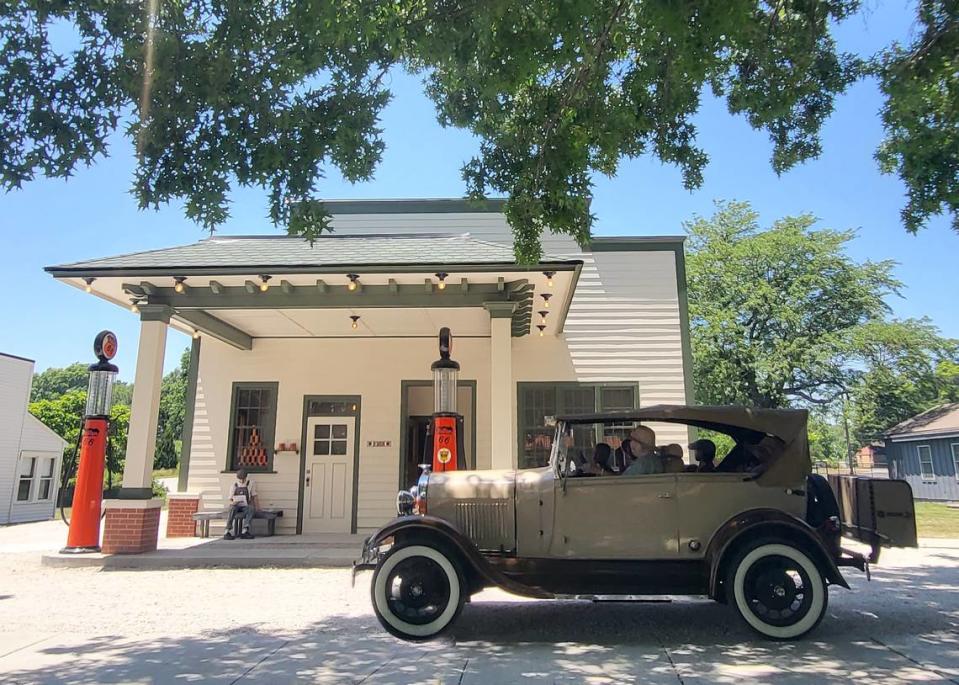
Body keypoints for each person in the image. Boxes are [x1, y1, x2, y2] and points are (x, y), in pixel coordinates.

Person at [225, 468, 258, 540]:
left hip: (245, 505)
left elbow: (254, 496)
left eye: (243, 479)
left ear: (246, 477)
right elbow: (230, 498)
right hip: (236, 505)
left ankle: (245, 530)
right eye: (240, 479)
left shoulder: (251, 484)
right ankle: (227, 531)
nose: (242, 481)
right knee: (231, 508)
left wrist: (257, 507)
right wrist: (234, 502)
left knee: (251, 509)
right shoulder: (234, 485)